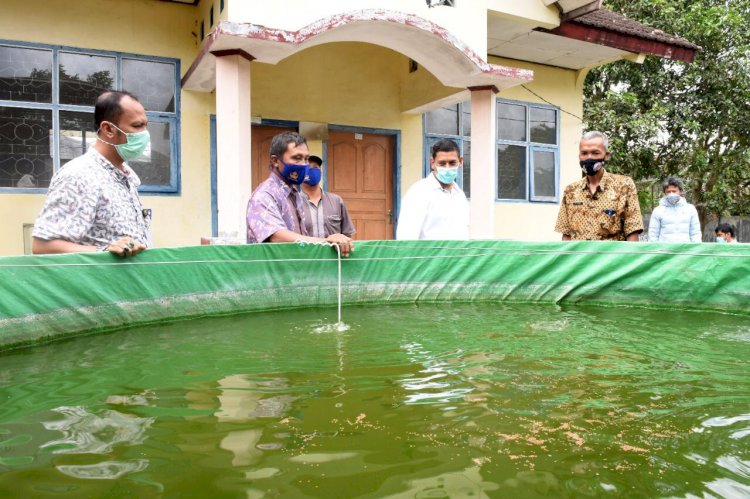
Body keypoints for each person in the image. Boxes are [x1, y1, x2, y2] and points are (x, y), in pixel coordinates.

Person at [32, 90, 151, 257]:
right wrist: (104, 251)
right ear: (109, 129)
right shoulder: (80, 176)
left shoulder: (125, 177)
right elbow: (43, 247)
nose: (145, 134)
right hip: (101, 283)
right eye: (137, 126)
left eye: (145, 125)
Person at [246, 132, 354, 256]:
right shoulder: (264, 196)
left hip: (297, 270)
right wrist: (326, 241)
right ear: (275, 161)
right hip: (272, 273)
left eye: (305, 158)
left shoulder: (294, 194)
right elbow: (277, 236)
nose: (303, 164)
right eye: (297, 158)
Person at [555, 131, 643, 241]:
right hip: (580, 257)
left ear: (606, 156)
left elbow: (632, 231)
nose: (589, 158)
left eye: (595, 153)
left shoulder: (624, 185)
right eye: (584, 153)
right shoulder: (571, 190)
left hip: (612, 258)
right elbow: (566, 234)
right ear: (579, 156)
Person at [396, 138, 469, 240]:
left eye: (452, 163)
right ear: (432, 163)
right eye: (442, 163)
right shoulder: (419, 193)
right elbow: (406, 238)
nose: (447, 168)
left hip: (457, 255)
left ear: (460, 162)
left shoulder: (459, 195)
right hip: (428, 256)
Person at [300, 155, 356, 238]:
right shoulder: (294, 203)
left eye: (316, 167)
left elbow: (347, 234)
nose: (313, 171)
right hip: (305, 251)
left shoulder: (336, 201)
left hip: (333, 251)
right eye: (308, 168)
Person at [648, 177, 701, 242]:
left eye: (674, 191)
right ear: (664, 193)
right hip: (665, 250)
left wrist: (695, 249)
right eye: (668, 192)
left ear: (680, 191)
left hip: (685, 249)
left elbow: (695, 233)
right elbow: (653, 234)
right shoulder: (658, 211)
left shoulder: (690, 209)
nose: (671, 194)